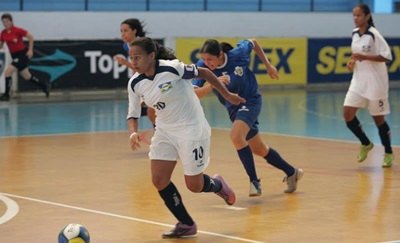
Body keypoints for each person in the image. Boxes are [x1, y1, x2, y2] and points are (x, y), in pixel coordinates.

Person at [127, 37, 245, 238]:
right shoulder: (135, 83)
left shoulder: (172, 68)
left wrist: (226, 95)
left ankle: (217, 185)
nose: (134, 62)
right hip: (165, 130)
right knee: (159, 179)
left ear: (151, 56)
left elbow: (206, 72)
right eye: (131, 58)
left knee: (194, 185)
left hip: (191, 128)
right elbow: (133, 112)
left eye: (137, 57)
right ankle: (186, 223)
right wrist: (133, 132)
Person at [193, 39, 304, 196]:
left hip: (250, 101)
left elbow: (254, 42)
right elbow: (194, 94)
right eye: (204, 59)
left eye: (210, 59)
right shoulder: (202, 66)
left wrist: (268, 65)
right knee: (258, 148)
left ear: (220, 55)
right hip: (233, 108)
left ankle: (254, 182)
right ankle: (292, 172)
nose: (206, 62)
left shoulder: (238, 54)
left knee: (236, 136)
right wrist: (212, 84)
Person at [344, 4, 394, 167]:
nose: (355, 18)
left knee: (378, 119)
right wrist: (352, 62)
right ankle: (366, 143)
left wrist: (365, 57)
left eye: (358, 15)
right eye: (354, 15)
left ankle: (388, 152)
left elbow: (387, 57)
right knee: (347, 114)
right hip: (358, 81)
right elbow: (356, 54)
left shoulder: (374, 34)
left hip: (375, 83)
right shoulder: (354, 34)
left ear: (367, 16)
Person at [114, 18, 156, 126]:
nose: (123, 34)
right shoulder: (127, 45)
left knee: (149, 110)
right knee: (144, 110)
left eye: (125, 30)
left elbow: (144, 67)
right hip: (142, 82)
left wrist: (125, 63)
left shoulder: (142, 45)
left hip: (153, 80)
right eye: (121, 31)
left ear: (134, 31)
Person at [0, 13, 50, 101]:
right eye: (3, 22)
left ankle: (6, 95)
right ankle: (44, 85)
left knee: (8, 72)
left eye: (7, 21)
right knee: (27, 76)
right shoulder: (3, 33)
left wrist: (30, 50)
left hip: (22, 54)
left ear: (11, 22)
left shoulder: (17, 30)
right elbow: (1, 44)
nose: (5, 23)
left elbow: (30, 37)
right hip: (14, 55)